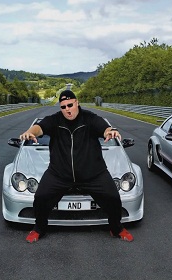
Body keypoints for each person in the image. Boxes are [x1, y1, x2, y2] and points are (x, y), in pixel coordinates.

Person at [19, 89, 134, 243]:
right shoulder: (54, 120)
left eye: (70, 105)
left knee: (113, 197)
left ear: (77, 103)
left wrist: (109, 132)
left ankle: (116, 228)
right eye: (63, 107)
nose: (67, 109)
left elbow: (103, 127)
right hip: (59, 174)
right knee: (40, 197)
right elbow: (39, 128)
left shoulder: (89, 118)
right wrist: (30, 132)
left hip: (93, 173)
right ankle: (39, 228)